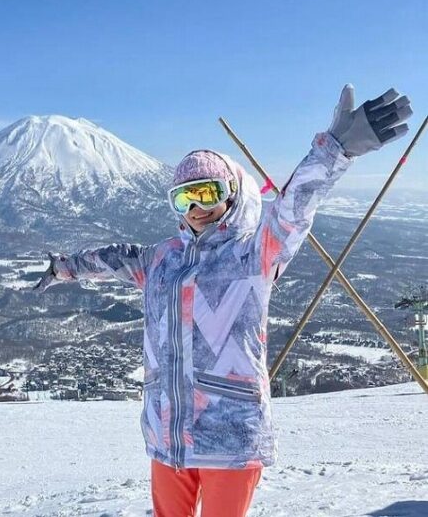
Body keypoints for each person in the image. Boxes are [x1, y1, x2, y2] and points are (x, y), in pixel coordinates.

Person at [33, 84, 412, 517]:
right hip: (168, 437)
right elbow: (116, 259)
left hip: (229, 440)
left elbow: (293, 211)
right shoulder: (162, 260)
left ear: (230, 192)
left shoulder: (253, 254)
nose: (195, 207)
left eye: (206, 193)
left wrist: (334, 150)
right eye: (183, 197)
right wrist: (65, 267)